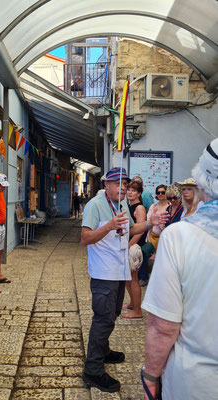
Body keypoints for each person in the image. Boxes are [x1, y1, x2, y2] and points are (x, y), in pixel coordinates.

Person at [141, 138, 218, 400]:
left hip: (197, 381)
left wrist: (150, 377)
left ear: (201, 185)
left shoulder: (180, 237)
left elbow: (163, 326)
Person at [81, 167, 168, 393]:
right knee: (103, 319)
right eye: (117, 183)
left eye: (125, 185)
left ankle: (104, 349)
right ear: (106, 185)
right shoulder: (95, 205)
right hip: (103, 273)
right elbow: (85, 238)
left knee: (113, 314)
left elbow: (131, 229)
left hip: (119, 271)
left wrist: (150, 222)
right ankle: (93, 369)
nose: (122, 188)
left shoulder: (119, 205)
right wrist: (109, 226)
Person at [121, 180, 147, 319]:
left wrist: (129, 245)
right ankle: (132, 303)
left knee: (134, 279)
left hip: (135, 246)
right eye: (129, 190)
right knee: (127, 279)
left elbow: (140, 230)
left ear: (139, 193)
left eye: (133, 190)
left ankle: (137, 311)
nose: (130, 192)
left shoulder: (139, 208)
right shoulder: (127, 205)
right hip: (128, 245)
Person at [138, 184, 168, 287]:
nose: (160, 194)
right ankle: (145, 278)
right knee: (146, 255)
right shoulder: (153, 206)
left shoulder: (169, 206)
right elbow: (148, 221)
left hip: (162, 237)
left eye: (163, 192)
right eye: (158, 192)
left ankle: (160, 283)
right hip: (152, 235)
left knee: (161, 260)